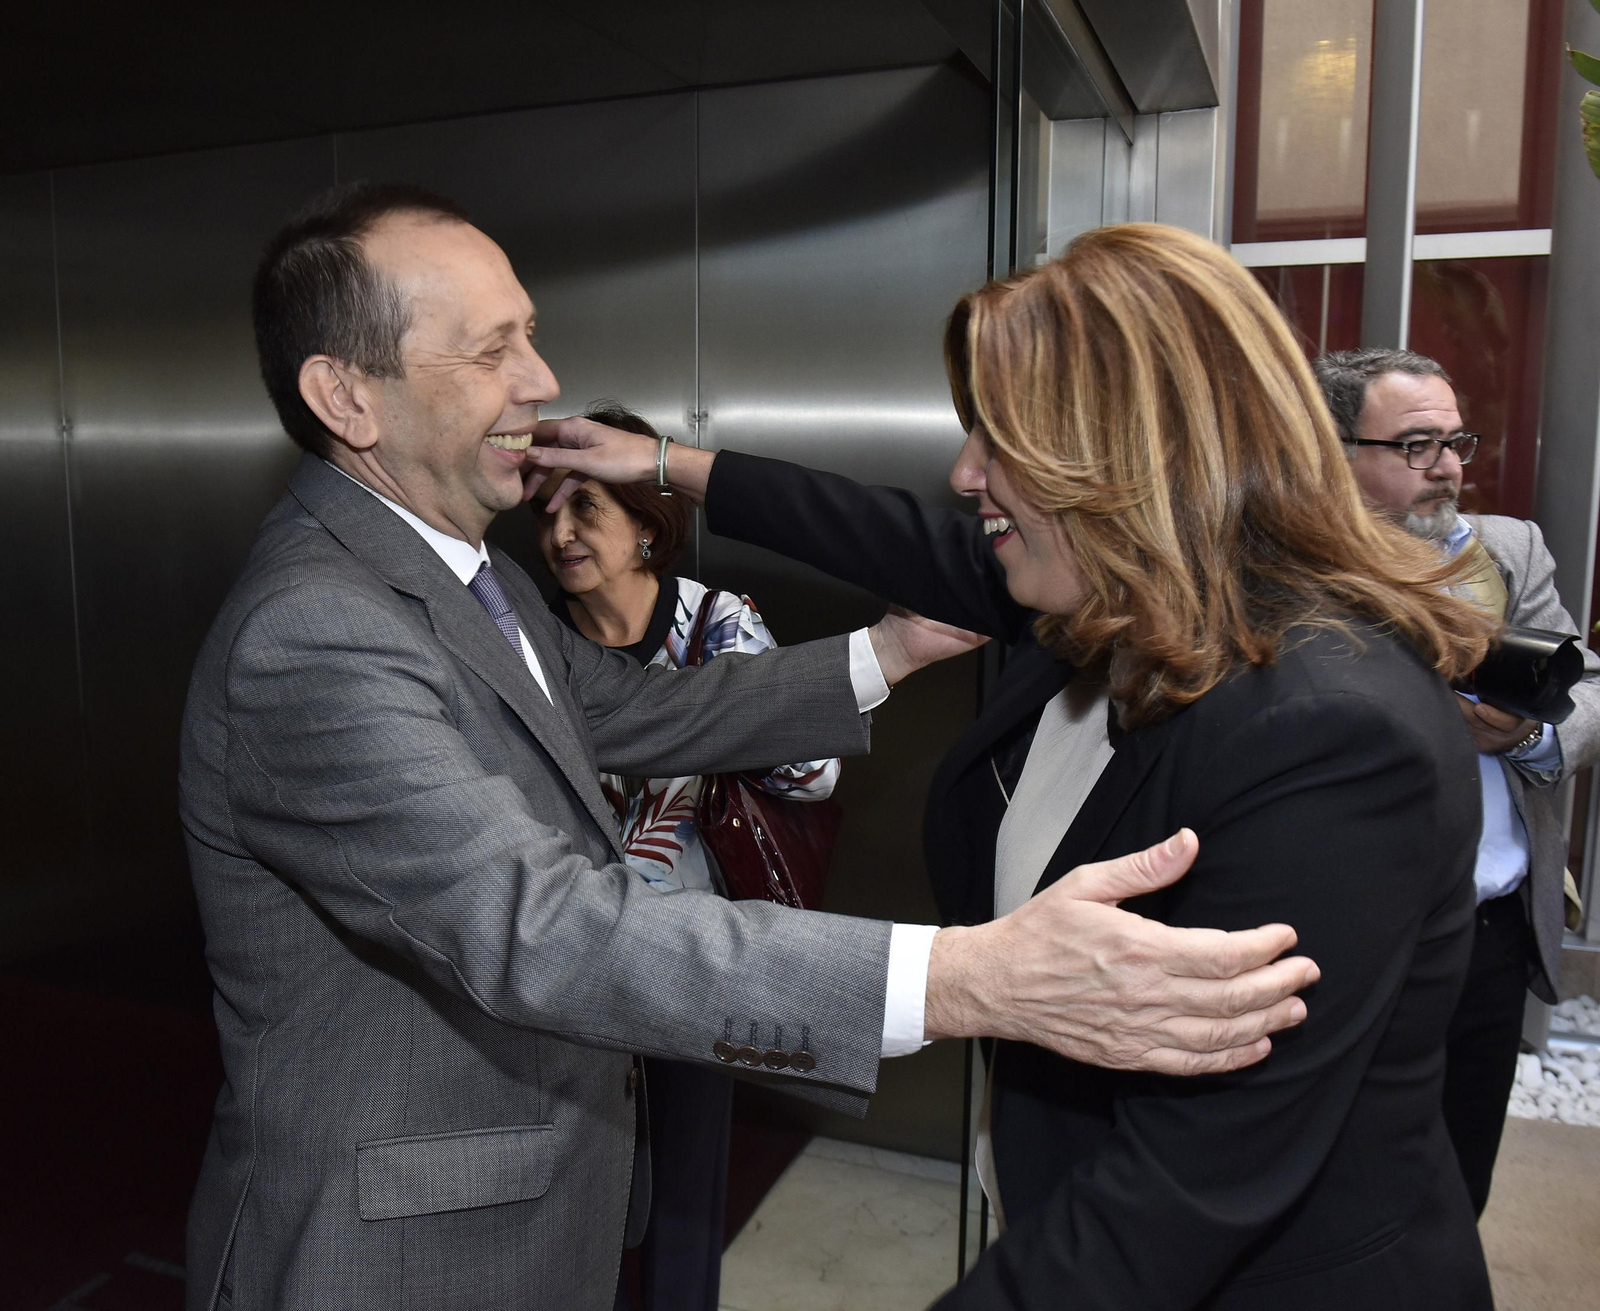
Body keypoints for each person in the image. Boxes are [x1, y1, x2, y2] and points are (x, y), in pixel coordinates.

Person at [177, 185, 1317, 1311]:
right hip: (395, 1255)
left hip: (530, 1208)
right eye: (491, 350)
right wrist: (965, 977)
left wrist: (886, 652)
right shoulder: (315, 634)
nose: (539, 380)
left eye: (531, 334)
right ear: (347, 396)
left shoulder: (476, 578)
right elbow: (541, 926)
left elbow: (636, 710)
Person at [528, 222, 1504, 1308]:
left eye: (1001, 437)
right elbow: (870, 529)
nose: (962, 472)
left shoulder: (1329, 732)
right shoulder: (1104, 605)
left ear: (1134, 454)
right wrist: (661, 464)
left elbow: (1181, 1192)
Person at [534, 402, 844, 1311]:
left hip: (698, 959)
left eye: (585, 507)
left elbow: (814, 770)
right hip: (571, 960)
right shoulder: (532, 644)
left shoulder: (713, 624)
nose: (559, 532)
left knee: (684, 1194)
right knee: (581, 1186)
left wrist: (713, 713)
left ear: (646, 528)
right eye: (547, 511)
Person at [1314, 346, 1600, 1215]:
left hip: (1493, 932)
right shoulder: (1295, 574)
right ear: (1337, 453)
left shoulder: (1512, 550)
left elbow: (1584, 686)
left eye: (1456, 441)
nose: (1445, 467)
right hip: (1356, 935)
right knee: (1341, 1190)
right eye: (1415, 445)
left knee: (1456, 1184)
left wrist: (1528, 736)